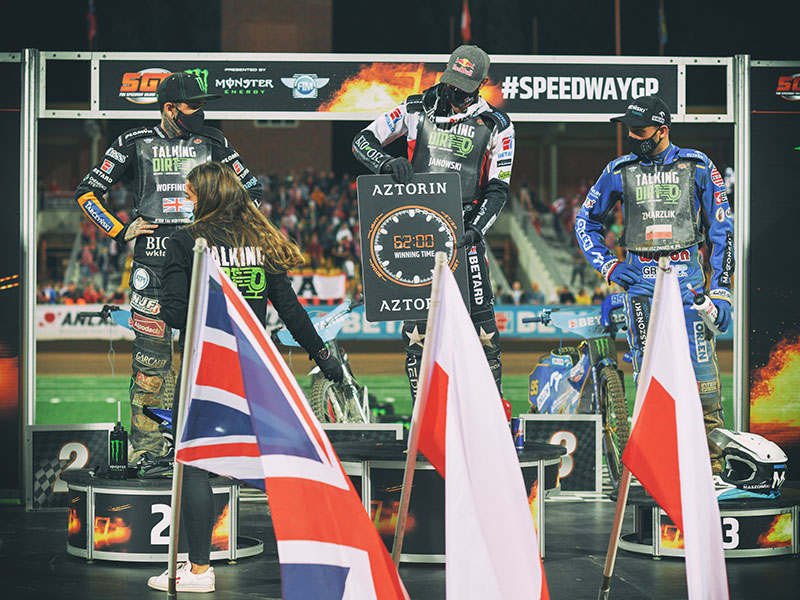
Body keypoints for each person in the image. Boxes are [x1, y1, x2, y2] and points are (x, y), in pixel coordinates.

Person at [148, 162, 342, 593]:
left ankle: (200, 572)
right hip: (255, 371)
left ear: (206, 195)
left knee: (193, 463)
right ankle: (327, 556)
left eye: (190, 194)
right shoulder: (259, 240)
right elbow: (290, 311)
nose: (187, 201)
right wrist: (323, 356)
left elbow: (175, 313)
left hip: (205, 368)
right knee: (284, 465)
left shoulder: (186, 240)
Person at [74, 71, 263, 460]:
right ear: (170, 108)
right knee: (150, 364)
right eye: (195, 106)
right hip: (153, 268)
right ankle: (148, 452)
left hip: (205, 265)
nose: (201, 112)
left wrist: (224, 225)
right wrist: (119, 230)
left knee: (210, 360)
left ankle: (209, 447)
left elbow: (253, 191)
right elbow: (87, 192)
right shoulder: (134, 142)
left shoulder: (214, 141)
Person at [574, 95, 734, 477]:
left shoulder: (697, 165)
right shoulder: (618, 170)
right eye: (628, 130)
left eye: (639, 130)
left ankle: (713, 471)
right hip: (640, 289)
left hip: (690, 289)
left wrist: (721, 290)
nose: (631, 136)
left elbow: (722, 231)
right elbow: (585, 222)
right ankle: (659, 472)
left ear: (662, 130)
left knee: (705, 386)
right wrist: (610, 266)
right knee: (650, 383)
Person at [351, 44, 515, 399]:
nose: (454, 93)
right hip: (417, 234)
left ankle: (493, 415)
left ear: (482, 83)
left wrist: (475, 230)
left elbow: (499, 189)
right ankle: (422, 415)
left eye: (464, 88)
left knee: (484, 332)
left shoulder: (497, 125)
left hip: (465, 234)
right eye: (451, 83)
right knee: (417, 335)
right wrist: (385, 163)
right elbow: (362, 141)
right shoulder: (414, 108)